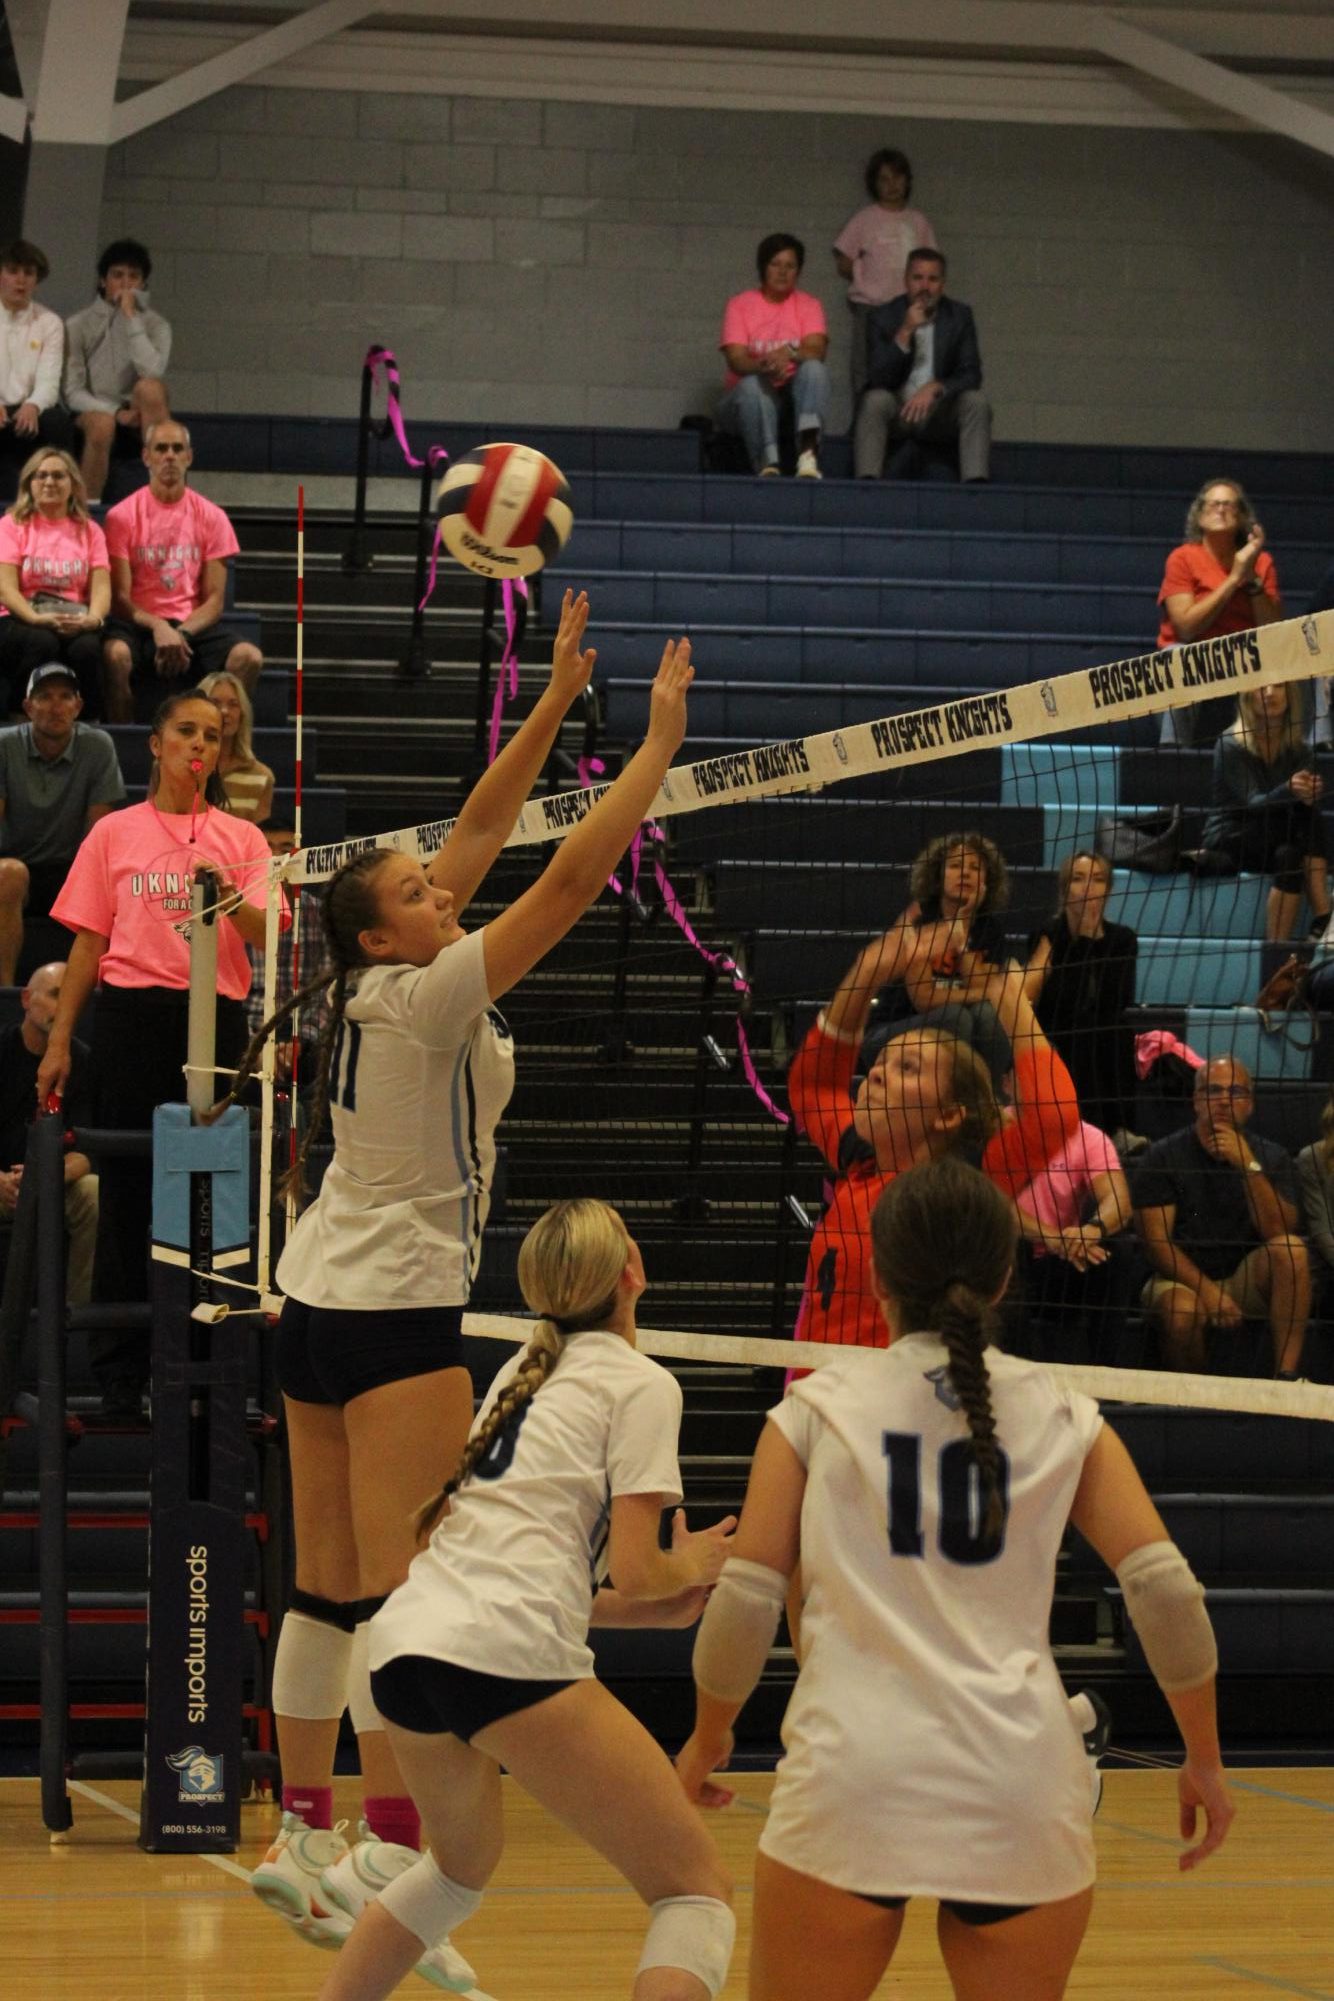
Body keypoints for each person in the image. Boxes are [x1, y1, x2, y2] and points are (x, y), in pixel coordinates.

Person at [224, 598, 702, 1979]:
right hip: (390, 1318)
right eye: (424, 897)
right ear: (385, 938)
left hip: (310, 1299)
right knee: (402, 1589)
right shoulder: (430, 995)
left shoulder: (369, 983)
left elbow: (485, 836)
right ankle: (382, 1852)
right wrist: (650, 758)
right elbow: (556, 888)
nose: (449, 893)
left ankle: (298, 1831)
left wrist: (549, 703)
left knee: (324, 1586)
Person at [675, 1155, 1233, 2001]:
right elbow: (1165, 1593)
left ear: (873, 1271)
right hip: (1019, 1783)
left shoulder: (815, 1410)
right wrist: (1204, 1756)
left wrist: (710, 1733)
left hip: (851, 1776)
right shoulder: (1063, 1412)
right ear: (1008, 1271)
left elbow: (746, 1606)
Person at [305, 1198, 738, 2001]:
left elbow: (525, 1570)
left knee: (455, 1873)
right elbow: (642, 1568)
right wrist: (696, 1563)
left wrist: (647, 1605)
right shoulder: (641, 1383)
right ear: (632, 1273)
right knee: (695, 1890)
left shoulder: (521, 1370)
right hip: (499, 1649)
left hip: (405, 1647)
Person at [36, 688, 278, 1414]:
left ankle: (209, 1365)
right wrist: (58, 1038)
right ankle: (121, 1373)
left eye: (211, 733)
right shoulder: (115, 833)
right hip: (132, 1020)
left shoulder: (242, 840)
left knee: (212, 1195)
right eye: (185, 731)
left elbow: (270, 932)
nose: (199, 745)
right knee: (127, 1193)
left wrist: (228, 900)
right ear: (158, 741)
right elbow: (87, 942)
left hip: (216, 1018)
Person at [787, 937, 1077, 1353]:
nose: (876, 1076)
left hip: (894, 1404)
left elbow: (1055, 1115)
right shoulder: (861, 1160)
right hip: (815, 1396)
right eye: (879, 1063)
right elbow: (812, 1086)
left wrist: (1010, 1004)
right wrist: (866, 972)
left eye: (906, 1068)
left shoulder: (963, 1187)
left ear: (949, 1114)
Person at [1132, 1056, 1310, 1377]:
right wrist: (1209, 1292)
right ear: (1196, 1101)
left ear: (1251, 1105)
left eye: (1237, 1092)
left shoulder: (1271, 1155)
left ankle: (1286, 1381)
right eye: (1213, 1091)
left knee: (1292, 1252)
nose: (1225, 1101)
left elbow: (1279, 1230)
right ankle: (1199, 1402)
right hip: (1180, 1278)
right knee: (1180, 1313)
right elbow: (1157, 1244)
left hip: (1244, 1276)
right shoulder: (1163, 1155)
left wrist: (1247, 1164)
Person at [101, 419, 262, 723]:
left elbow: (214, 600)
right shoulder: (120, 516)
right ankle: (121, 745)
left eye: (178, 449)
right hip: (138, 623)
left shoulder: (213, 517)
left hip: (192, 625)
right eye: (161, 448)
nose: (170, 456)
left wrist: (181, 632)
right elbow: (119, 598)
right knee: (115, 655)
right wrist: (159, 627)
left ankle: (219, 747)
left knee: (248, 658)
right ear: (146, 457)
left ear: (189, 457)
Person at [0, 662, 125, 985]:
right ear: (28, 707)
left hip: (73, 868)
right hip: (15, 865)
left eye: (65, 696)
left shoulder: (98, 746)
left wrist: (90, 879)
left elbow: (100, 833)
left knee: (111, 878)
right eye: (45, 697)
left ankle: (99, 988)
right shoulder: (4, 744)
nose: (56, 706)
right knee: (8, 874)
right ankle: (4, 990)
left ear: (78, 706)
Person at [1200, 683, 1330, 943]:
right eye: (1262, 686)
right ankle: (1324, 914)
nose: (1270, 693)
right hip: (1232, 833)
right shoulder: (1230, 744)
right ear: (1247, 695)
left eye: (1279, 686)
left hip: (1277, 837)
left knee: (1290, 855)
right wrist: (1291, 789)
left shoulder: (1299, 749)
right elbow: (1254, 803)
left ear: (1290, 695)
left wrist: (1308, 793)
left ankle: (1276, 951)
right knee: (1307, 821)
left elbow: (1297, 804)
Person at [1157, 478, 1282, 747]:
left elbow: (1273, 631)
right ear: (1200, 515)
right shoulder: (1182, 558)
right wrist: (1233, 577)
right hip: (1195, 655)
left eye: (1229, 504)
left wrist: (1250, 579)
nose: (1221, 509)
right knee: (1175, 658)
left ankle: (1299, 752)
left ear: (1241, 516)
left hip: (1244, 659)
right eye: (1214, 504)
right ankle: (1173, 753)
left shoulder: (1261, 561)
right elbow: (1186, 628)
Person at [0, 961, 97, 1306]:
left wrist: (43, 1176)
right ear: (26, 999)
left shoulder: (83, 1062)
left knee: (93, 1191)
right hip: (2, 1185)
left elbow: (87, 1154)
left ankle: (78, 1324)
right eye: (56, 995)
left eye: (71, 997)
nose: (63, 1006)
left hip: (49, 1183)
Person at [1025, 851, 1138, 1138]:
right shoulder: (1048, 933)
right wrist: (1085, 939)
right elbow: (1061, 1001)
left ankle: (1120, 1129)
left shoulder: (1123, 939)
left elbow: (1118, 998)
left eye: (1098, 880)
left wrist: (1093, 942)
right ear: (1065, 889)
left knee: (1116, 1028)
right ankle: (1088, 1129)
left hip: (1101, 1027)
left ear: (1108, 890)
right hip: (1057, 1026)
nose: (1089, 887)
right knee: (1083, 1027)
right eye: (1079, 879)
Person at [853, 248, 991, 482]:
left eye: (933, 279)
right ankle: (867, 484)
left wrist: (936, 387)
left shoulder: (959, 316)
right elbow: (878, 377)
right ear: (906, 281)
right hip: (897, 409)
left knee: (976, 402)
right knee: (874, 400)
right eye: (918, 278)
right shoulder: (882, 317)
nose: (925, 286)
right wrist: (905, 331)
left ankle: (975, 485)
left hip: (938, 411)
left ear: (943, 284)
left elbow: (971, 374)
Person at [867, 829, 1011, 1038]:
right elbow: (924, 1000)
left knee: (989, 1015)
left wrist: (962, 928)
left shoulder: (989, 929)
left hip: (956, 1024)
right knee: (955, 1017)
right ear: (938, 875)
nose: (965, 873)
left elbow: (981, 991)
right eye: (955, 865)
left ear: (987, 881)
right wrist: (985, 993)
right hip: (893, 1028)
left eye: (975, 867)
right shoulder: (919, 921)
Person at [0, 445, 110, 711]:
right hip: (20, 617)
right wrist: (35, 618)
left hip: (75, 618)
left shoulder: (90, 530)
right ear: (30, 483)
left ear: (72, 483)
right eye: (41, 475)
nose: (50, 482)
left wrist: (91, 621)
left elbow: (101, 587)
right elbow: (6, 588)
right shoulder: (11, 525)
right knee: (42, 642)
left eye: (59, 476)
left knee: (87, 649)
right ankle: (19, 716)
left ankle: (88, 724)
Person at [63, 237, 172, 504]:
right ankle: (88, 513)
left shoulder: (157, 326)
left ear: (143, 284)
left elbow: (152, 371)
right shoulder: (78, 324)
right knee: (103, 424)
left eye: (134, 276)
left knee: (151, 389)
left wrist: (131, 319)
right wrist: (114, 412)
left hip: (140, 411)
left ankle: (164, 497)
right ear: (103, 281)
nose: (125, 284)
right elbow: (72, 392)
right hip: (94, 412)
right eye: (118, 275)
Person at [717, 234, 830, 479]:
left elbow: (817, 350)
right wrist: (764, 365)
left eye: (790, 266)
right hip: (743, 402)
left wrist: (788, 352)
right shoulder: (740, 304)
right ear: (763, 267)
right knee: (751, 385)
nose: (782, 272)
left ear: (798, 272)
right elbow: (736, 359)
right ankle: (768, 465)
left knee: (814, 369)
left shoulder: (809, 305)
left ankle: (808, 456)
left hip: (789, 402)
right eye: (775, 264)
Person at [832, 147, 936, 403]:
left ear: (907, 181)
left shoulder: (917, 221)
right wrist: (864, 279)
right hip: (871, 307)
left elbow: (931, 263)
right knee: (864, 367)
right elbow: (843, 259)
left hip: (908, 308)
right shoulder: (864, 219)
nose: (892, 185)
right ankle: (862, 420)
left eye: (898, 178)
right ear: (874, 184)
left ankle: (903, 423)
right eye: (884, 179)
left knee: (909, 364)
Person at [0, 240, 72, 483]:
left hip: (26, 409)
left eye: (28, 273)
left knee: (57, 422)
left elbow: (49, 381)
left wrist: (33, 405)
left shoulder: (49, 322)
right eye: (13, 271)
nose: (21, 280)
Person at [197, 668, 274, 822]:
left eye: (233, 704)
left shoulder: (261, 777)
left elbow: (259, 840)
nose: (225, 711)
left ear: (242, 714)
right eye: (215, 703)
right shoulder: (170, 768)